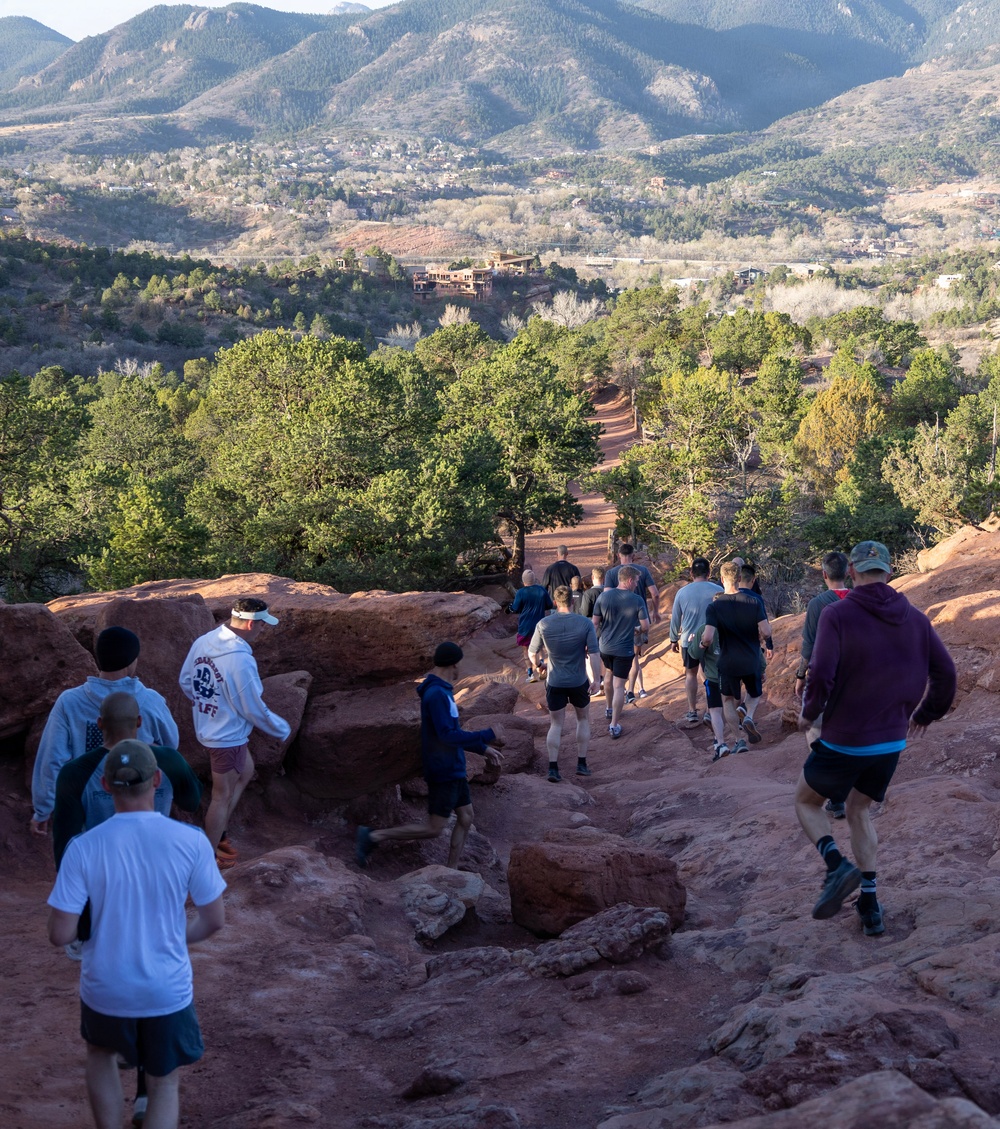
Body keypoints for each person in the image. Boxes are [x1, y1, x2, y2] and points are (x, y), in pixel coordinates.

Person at [47, 739, 226, 1129]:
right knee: (163, 1080)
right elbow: (214, 920)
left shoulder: (82, 848)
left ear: (107, 785)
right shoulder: (192, 842)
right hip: (166, 987)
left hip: (105, 986)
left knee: (100, 1055)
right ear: (158, 780)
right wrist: (179, 937)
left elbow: (60, 934)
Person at [796, 541, 956, 934]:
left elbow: (820, 673)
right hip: (890, 742)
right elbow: (947, 674)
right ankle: (869, 905)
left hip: (844, 738)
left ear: (852, 570)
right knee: (859, 810)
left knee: (806, 802)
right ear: (887, 570)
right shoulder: (916, 619)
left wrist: (809, 712)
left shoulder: (838, 615)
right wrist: (925, 714)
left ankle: (837, 868)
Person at [355, 642, 503, 868]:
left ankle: (451, 871)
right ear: (453, 664)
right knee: (433, 829)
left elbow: (451, 732)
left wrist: (482, 748)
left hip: (454, 766)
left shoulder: (443, 692)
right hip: (443, 769)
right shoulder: (436, 694)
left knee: (466, 817)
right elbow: (446, 735)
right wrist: (487, 734)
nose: (459, 668)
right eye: (459, 663)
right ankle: (373, 837)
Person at [32, 626, 179, 838]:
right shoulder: (150, 700)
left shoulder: (70, 702)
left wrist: (43, 809)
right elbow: (171, 744)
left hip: (92, 807)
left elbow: (51, 759)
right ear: (131, 661)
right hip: (142, 803)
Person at [179, 597, 290, 869]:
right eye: (263, 625)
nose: (264, 630)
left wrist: (208, 706)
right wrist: (282, 729)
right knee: (221, 797)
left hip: (211, 727)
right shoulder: (240, 660)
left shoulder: (204, 641)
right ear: (251, 624)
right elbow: (252, 707)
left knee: (247, 770)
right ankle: (205, 859)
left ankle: (219, 835)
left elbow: (186, 680)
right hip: (226, 736)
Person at [795, 551, 851, 818]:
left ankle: (832, 793)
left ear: (824, 574)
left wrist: (799, 675)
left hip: (824, 678)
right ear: (848, 572)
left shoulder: (818, 604)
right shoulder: (860, 600)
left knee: (817, 736)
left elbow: (809, 644)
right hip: (855, 679)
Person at [529, 585, 601, 782]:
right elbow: (594, 653)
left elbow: (532, 652)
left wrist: (539, 665)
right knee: (583, 720)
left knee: (556, 724)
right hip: (578, 681)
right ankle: (582, 764)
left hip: (555, 681)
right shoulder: (584, 624)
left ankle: (553, 768)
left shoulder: (543, 624)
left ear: (554, 602)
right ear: (573, 601)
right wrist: (596, 679)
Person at [700, 562, 772, 755]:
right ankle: (748, 715)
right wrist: (759, 637)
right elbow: (766, 630)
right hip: (750, 659)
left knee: (727, 700)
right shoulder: (753, 602)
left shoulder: (715, 606)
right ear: (740, 578)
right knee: (755, 693)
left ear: (722, 579)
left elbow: (707, 637)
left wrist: (703, 645)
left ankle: (739, 742)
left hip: (727, 662)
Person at [593, 565, 650, 740]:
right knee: (619, 686)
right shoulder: (637, 600)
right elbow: (646, 626)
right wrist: (637, 630)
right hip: (624, 649)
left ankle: (609, 708)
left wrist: (592, 643)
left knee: (608, 675)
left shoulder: (603, 596)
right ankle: (614, 724)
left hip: (605, 647)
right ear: (630, 580)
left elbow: (595, 622)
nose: (637, 584)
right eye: (637, 581)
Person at [669, 557, 723, 726]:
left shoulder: (682, 592)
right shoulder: (718, 589)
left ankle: (692, 711)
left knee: (691, 673)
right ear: (709, 573)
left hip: (689, 640)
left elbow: (676, 618)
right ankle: (710, 710)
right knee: (711, 674)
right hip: (712, 637)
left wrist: (673, 639)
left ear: (691, 573)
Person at [510, 569, 553, 682]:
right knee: (540, 648)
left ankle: (530, 674)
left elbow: (515, 608)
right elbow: (549, 605)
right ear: (534, 579)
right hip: (540, 624)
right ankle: (542, 670)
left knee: (526, 649)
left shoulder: (520, 592)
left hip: (525, 626)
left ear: (523, 581)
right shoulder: (541, 590)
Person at [606, 543, 660, 623]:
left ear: (618, 555)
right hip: (641, 619)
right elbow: (655, 594)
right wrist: (655, 611)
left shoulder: (610, 573)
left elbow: (607, 595)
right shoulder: (643, 570)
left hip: (619, 620)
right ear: (633, 556)